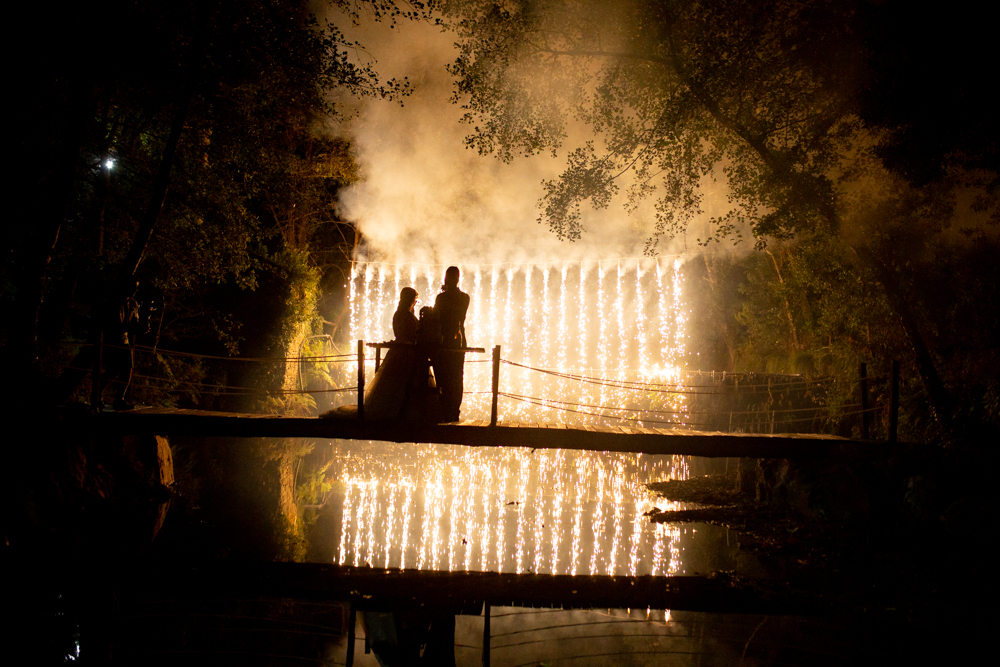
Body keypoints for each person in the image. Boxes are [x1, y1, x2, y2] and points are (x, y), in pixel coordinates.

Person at [432, 266, 470, 422]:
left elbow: (436, 318)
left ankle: (444, 409)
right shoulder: (465, 298)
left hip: (444, 342)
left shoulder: (441, 298)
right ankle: (454, 410)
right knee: (456, 377)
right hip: (459, 341)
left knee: (443, 377)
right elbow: (460, 319)